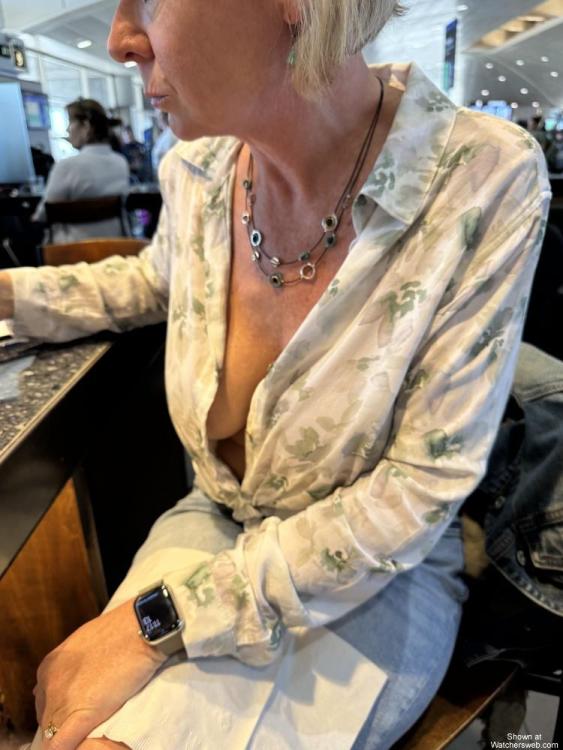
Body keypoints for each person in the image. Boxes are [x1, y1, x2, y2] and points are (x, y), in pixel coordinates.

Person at [0, 1, 552, 748]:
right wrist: (10, 294)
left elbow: (416, 492)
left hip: (370, 580)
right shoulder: (196, 171)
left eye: (148, 0)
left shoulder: (477, 175)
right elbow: (155, 281)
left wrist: (150, 625)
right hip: (211, 521)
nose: (120, 40)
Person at [33, 99, 130, 243]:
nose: (67, 130)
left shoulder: (66, 167)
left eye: (70, 122)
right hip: (115, 246)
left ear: (86, 126)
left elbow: (43, 215)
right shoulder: (121, 162)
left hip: (73, 249)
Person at [151, 111, 178, 177]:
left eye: (157, 117)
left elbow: (169, 156)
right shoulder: (164, 135)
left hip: (169, 173)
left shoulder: (170, 135)